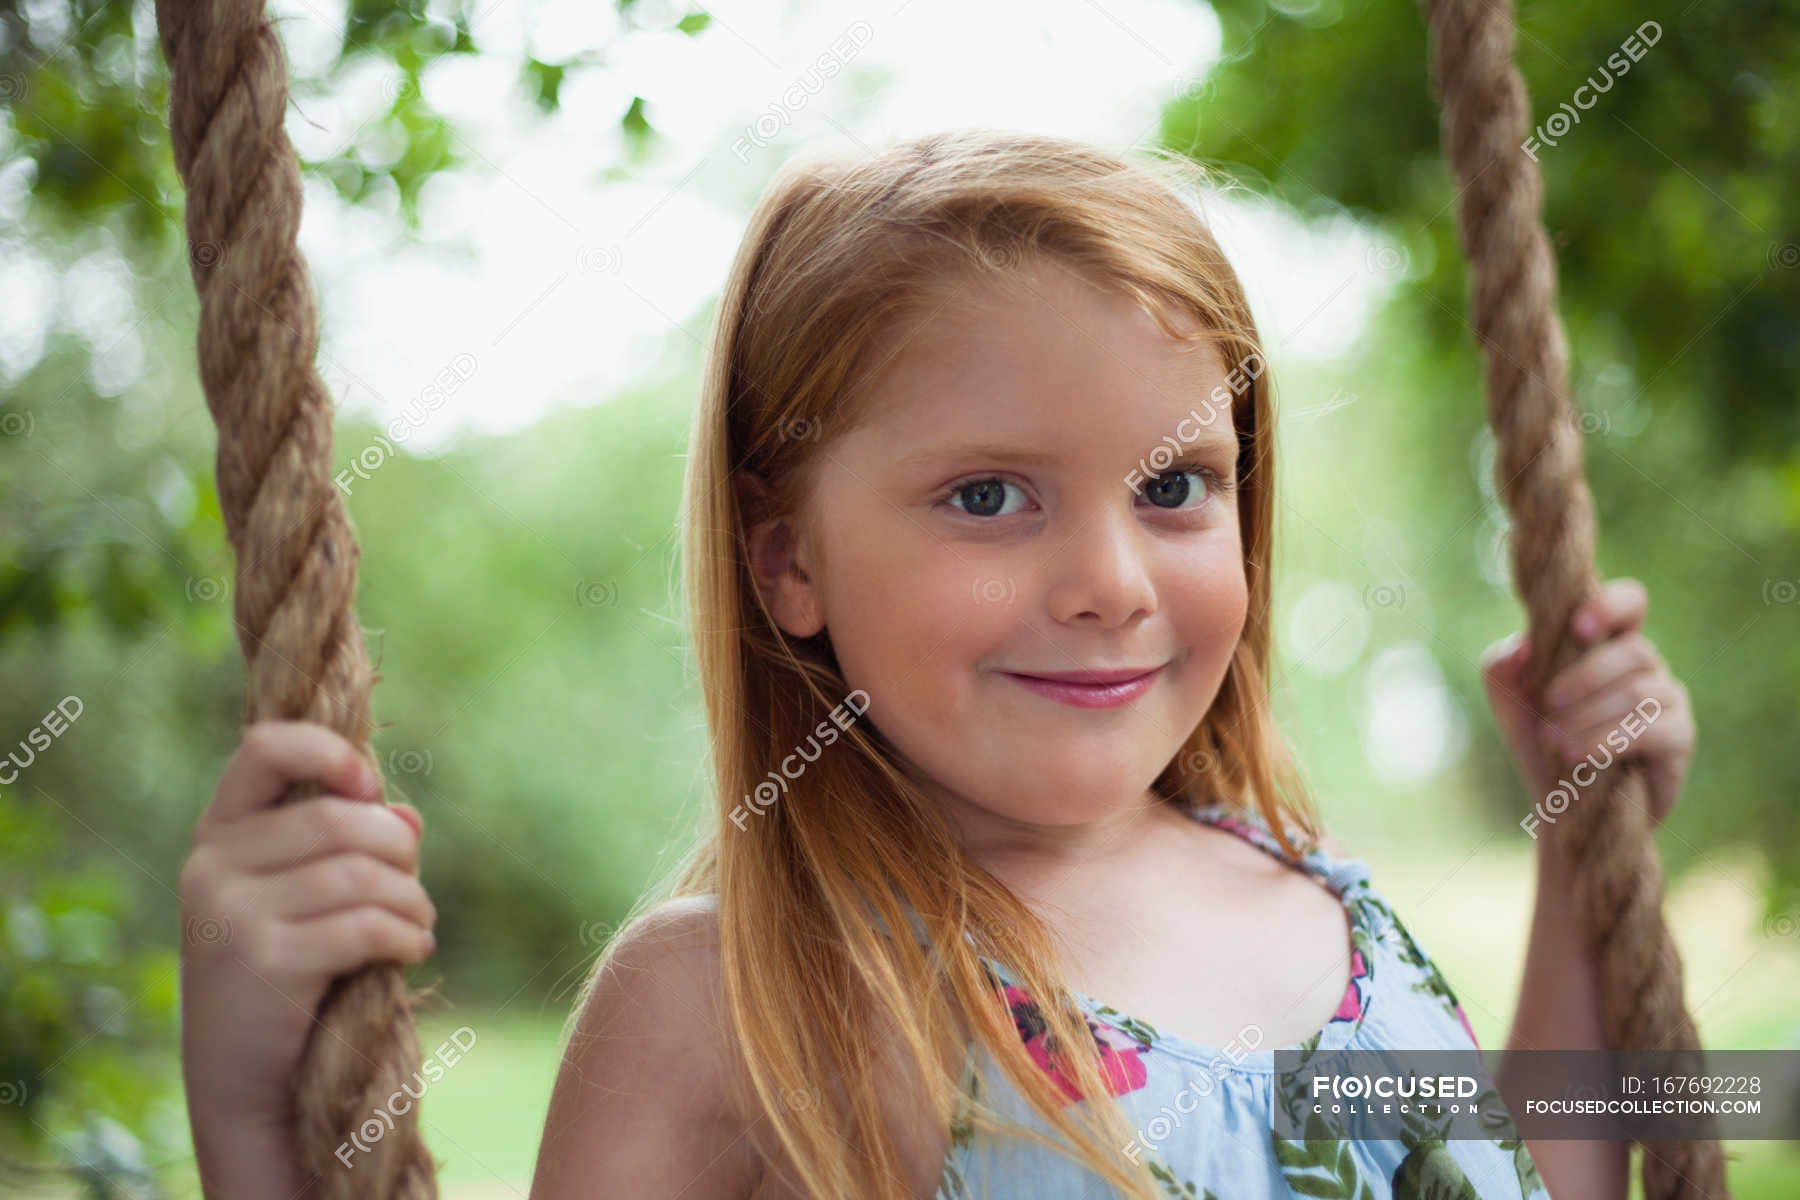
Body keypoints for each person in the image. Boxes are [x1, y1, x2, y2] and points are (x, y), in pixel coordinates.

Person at [177, 128, 1696, 1199]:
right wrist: (255, 1115)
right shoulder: (737, 1002)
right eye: (988, 497)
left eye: (1174, 489)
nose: (1107, 583)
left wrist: (1581, 863)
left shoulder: (1306, 889)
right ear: (787, 563)